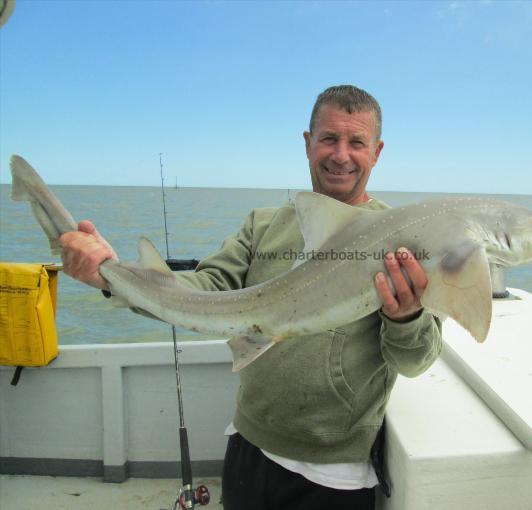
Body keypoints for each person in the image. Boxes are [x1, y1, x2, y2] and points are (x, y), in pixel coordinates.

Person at [59, 85, 442, 510]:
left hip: (336, 473)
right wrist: (110, 277)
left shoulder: (402, 239)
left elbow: (415, 361)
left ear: (377, 151)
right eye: (329, 138)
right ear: (307, 142)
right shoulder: (263, 225)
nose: (341, 155)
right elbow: (203, 293)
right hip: (248, 445)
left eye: (357, 142)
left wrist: (407, 317)